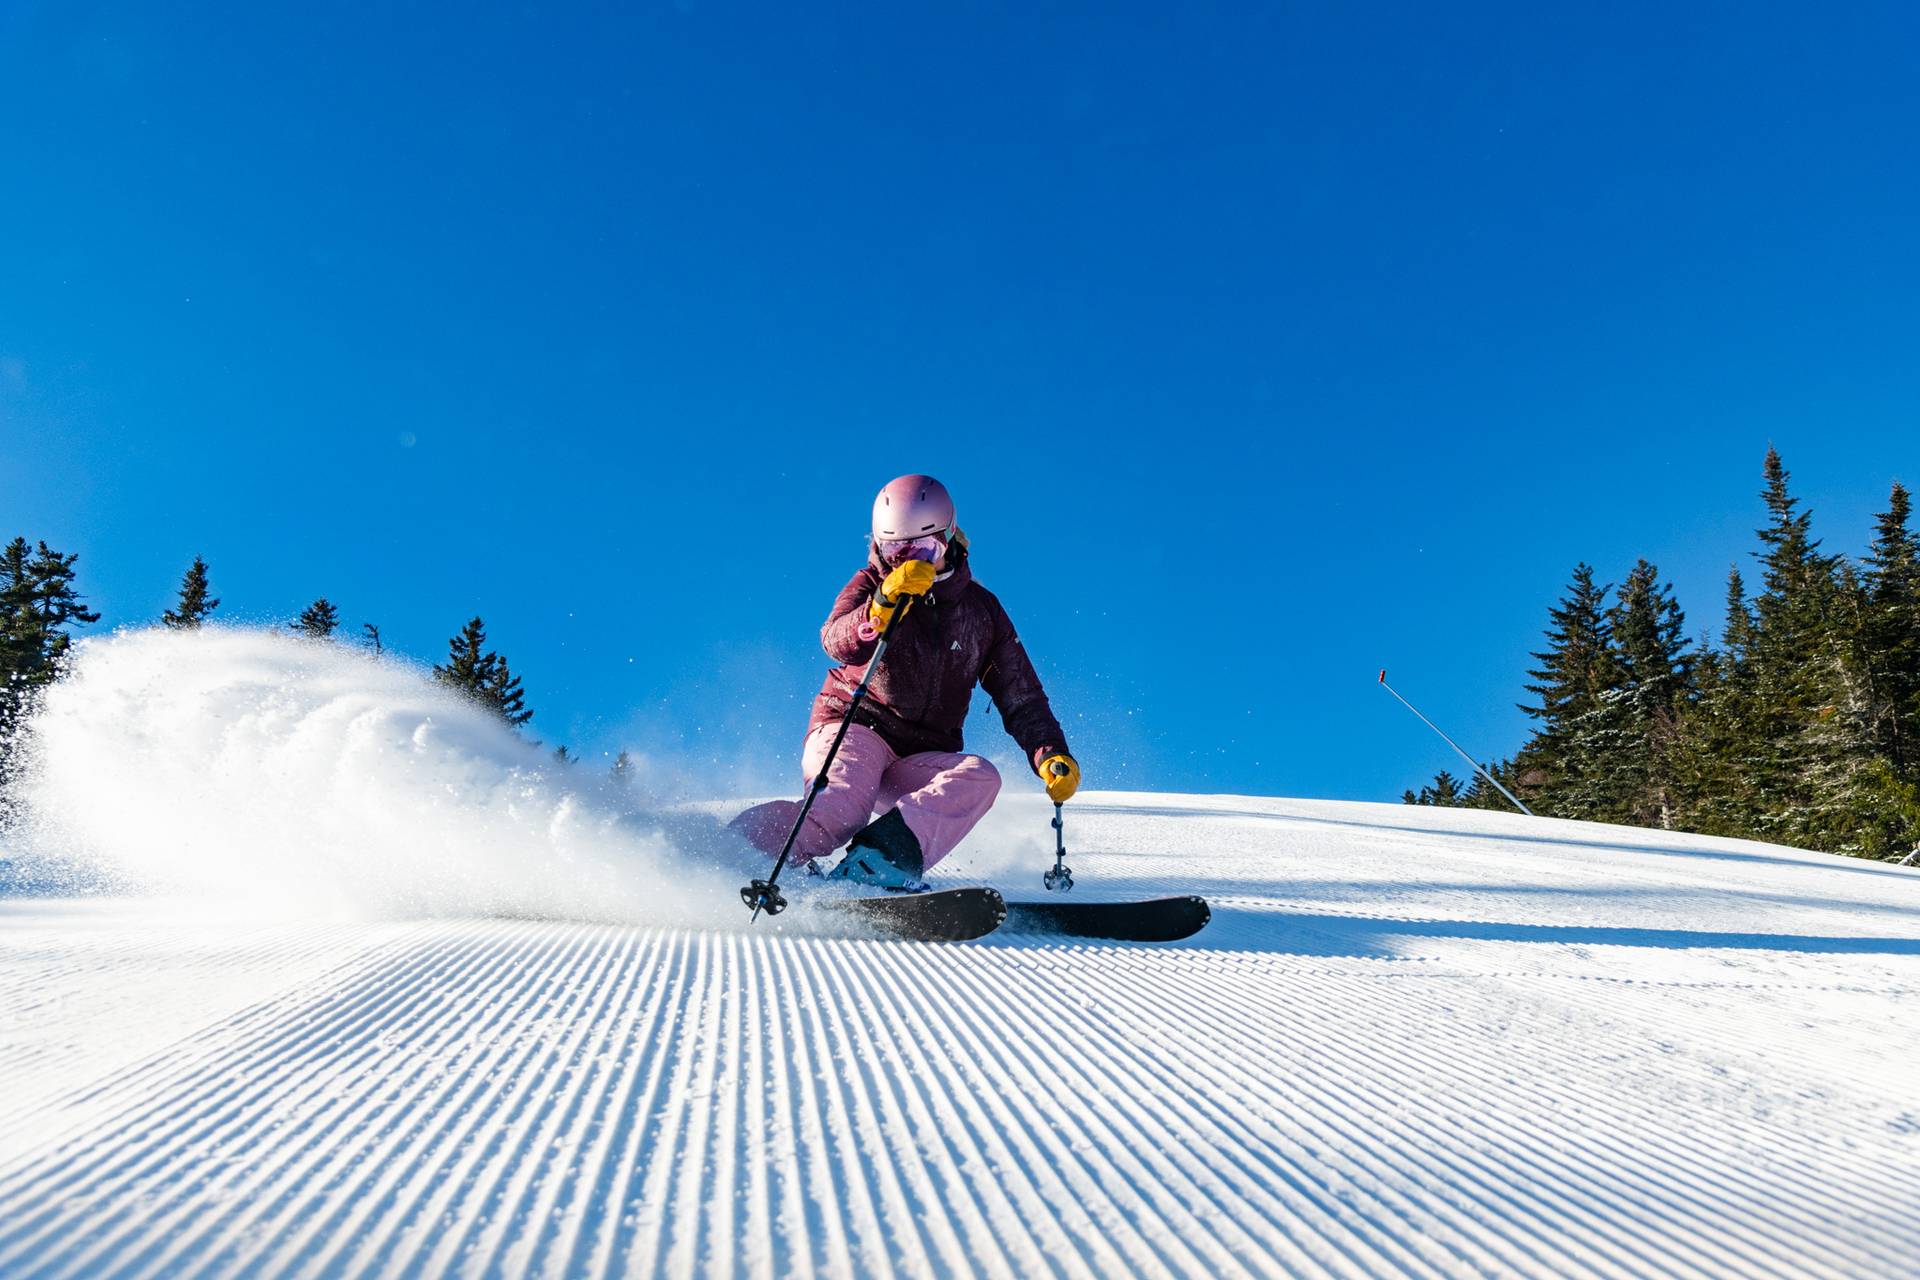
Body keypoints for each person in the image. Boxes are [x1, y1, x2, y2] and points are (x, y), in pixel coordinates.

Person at [730, 474, 1079, 889]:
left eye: (922, 549)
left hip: (920, 756)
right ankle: (732, 851)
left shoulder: (981, 612)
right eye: (895, 550)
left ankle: (875, 865)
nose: (908, 562)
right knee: (837, 813)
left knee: (980, 778)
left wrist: (1050, 753)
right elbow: (835, 639)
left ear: (948, 539)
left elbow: (1019, 694)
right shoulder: (872, 585)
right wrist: (878, 609)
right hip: (856, 726)